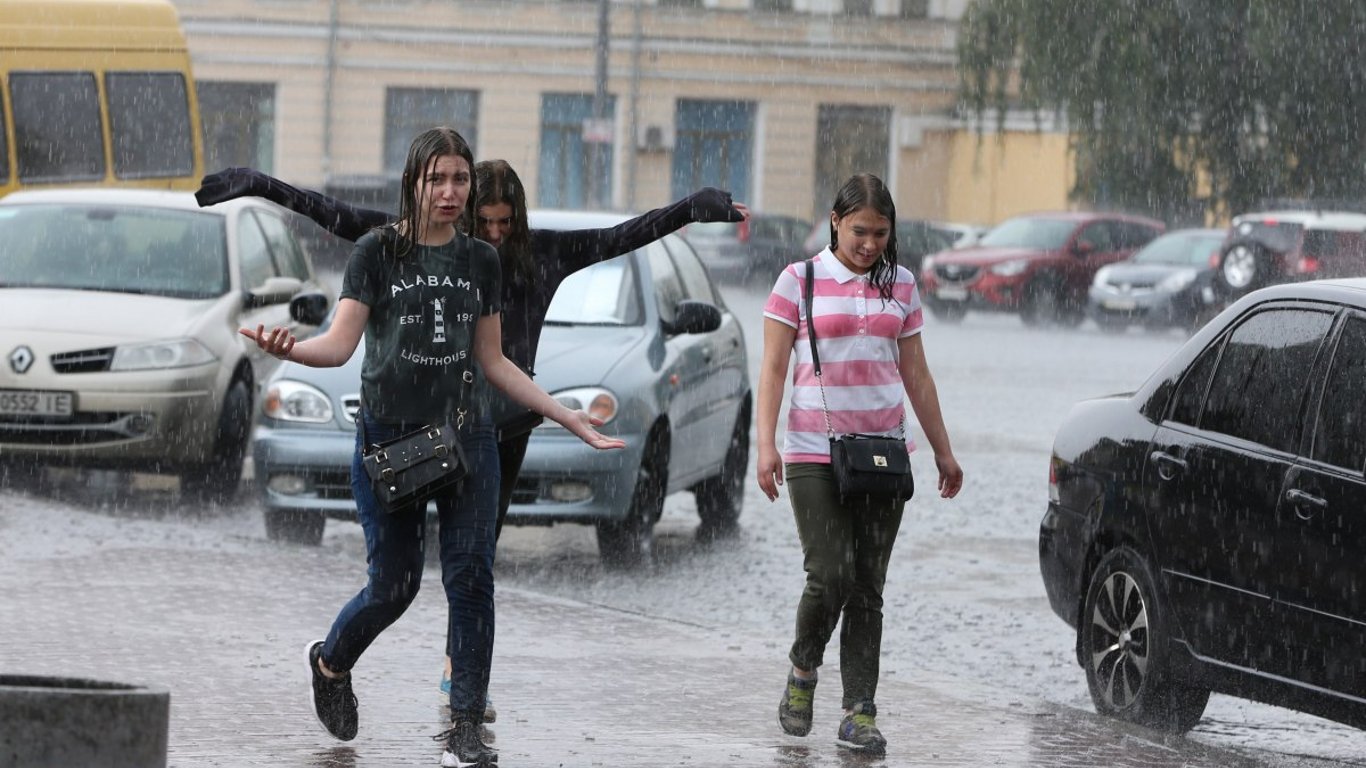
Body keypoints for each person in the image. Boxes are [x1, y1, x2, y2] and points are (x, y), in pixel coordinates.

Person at [197, 161, 749, 715]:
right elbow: (337, 215)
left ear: (520, 218)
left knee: (473, 565)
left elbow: (625, 235)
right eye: (483, 220)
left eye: (505, 221)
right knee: (397, 582)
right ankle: (353, 665)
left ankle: (460, 686)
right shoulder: (434, 249)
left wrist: (691, 209)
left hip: (502, 430)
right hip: (434, 423)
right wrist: (260, 183)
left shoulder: (545, 254)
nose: (494, 232)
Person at [240, 126, 624, 768]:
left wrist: (566, 416)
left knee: (472, 578)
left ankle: (466, 728)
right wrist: (291, 349)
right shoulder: (376, 253)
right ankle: (330, 663)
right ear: (414, 182)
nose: (450, 192)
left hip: (466, 436)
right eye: (437, 179)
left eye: (460, 179)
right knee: (394, 587)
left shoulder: (482, 261)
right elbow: (338, 346)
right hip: (390, 439)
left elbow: (495, 361)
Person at [754, 173, 963, 756]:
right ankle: (802, 671)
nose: (869, 244)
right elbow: (772, 370)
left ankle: (859, 712)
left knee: (868, 585)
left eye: (880, 233)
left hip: (883, 455)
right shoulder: (799, 281)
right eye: (859, 231)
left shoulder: (901, 285)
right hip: (813, 451)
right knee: (832, 574)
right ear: (835, 222)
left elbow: (916, 374)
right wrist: (764, 445)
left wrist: (943, 450)